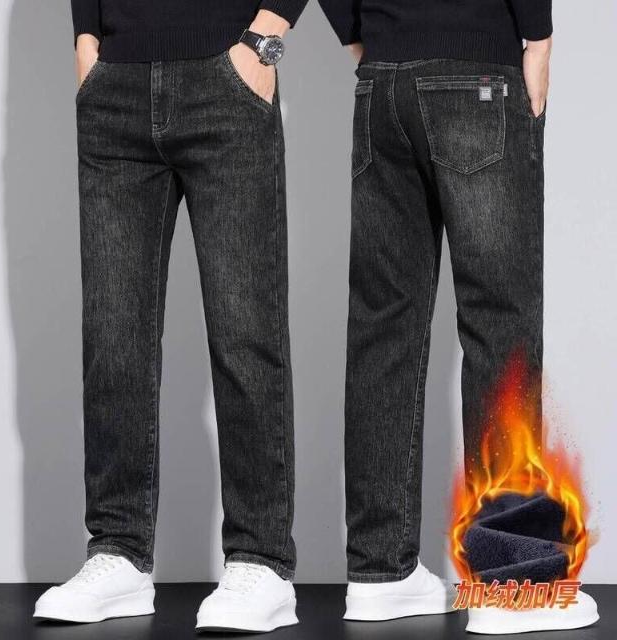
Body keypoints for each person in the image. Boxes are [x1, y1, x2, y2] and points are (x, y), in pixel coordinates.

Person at [319, 0, 598, 633]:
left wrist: (363, 34)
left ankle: (379, 573)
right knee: (499, 326)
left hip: (382, 84)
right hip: (475, 70)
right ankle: (511, 582)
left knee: (383, 328)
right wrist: (538, 37)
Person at [34, 0, 307, 632]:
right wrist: (86, 39)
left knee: (246, 333)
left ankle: (261, 560)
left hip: (226, 72)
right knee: (113, 337)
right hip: (116, 83)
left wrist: (263, 37)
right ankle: (118, 552)